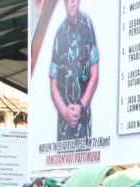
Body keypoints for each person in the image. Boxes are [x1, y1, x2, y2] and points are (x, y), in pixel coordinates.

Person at [50, 0, 99, 140]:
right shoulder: (59, 34)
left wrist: (81, 106)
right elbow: (53, 86)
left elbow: (94, 74)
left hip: (83, 125)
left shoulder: (87, 25)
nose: (72, 3)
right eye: (68, 0)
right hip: (63, 130)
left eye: (74, 0)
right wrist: (65, 111)